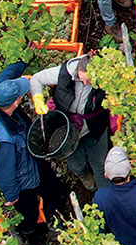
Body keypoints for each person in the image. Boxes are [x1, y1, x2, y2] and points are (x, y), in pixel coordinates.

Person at [0, 71, 69, 245]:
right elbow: (5, 171)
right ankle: (38, 243)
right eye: (20, 96)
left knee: (53, 188)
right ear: (15, 103)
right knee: (28, 214)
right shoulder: (4, 141)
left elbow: (7, 74)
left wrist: (25, 56)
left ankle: (53, 219)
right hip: (22, 178)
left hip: (31, 159)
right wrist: (12, 195)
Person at [27, 53, 113, 189]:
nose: (85, 83)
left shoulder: (106, 78)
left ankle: (105, 191)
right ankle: (83, 174)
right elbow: (36, 79)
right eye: (81, 79)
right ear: (77, 71)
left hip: (94, 127)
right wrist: (38, 100)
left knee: (100, 163)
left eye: (89, 81)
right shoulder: (64, 73)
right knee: (76, 164)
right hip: (66, 128)